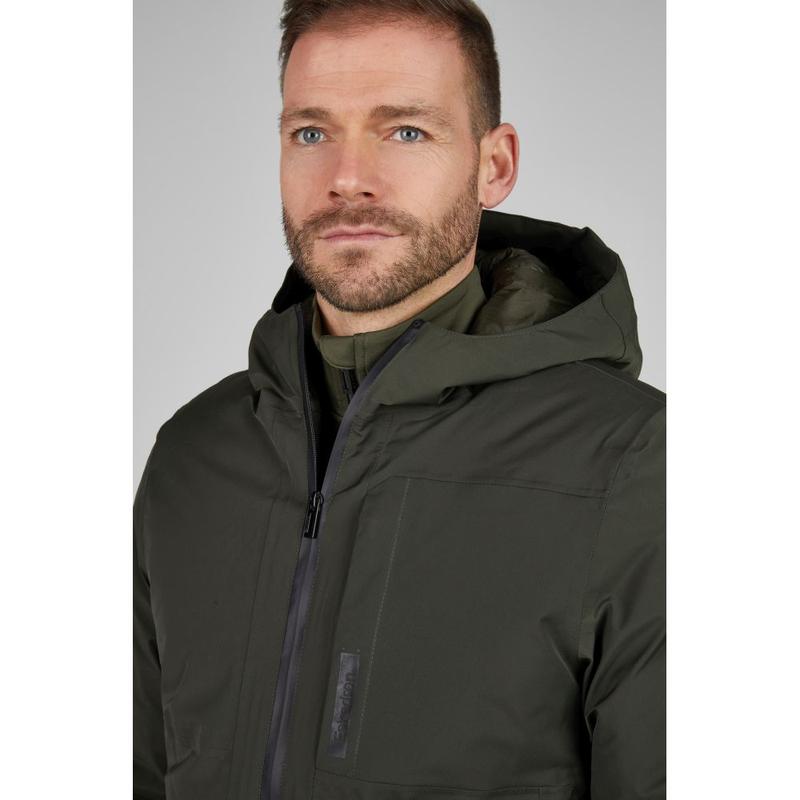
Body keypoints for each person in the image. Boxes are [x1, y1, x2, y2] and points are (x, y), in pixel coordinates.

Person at [133, 1, 666, 798]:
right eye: (311, 132)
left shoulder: (635, 463)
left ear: (494, 165)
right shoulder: (194, 456)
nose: (348, 177)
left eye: (406, 131)